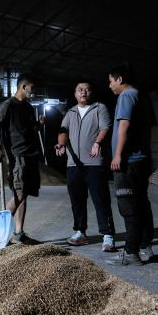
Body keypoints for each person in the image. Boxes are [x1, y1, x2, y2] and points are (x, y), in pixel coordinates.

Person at [55, 81, 116, 251]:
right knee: (77, 200)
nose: (84, 92)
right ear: (75, 94)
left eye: (87, 90)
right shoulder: (70, 112)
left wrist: (97, 143)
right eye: (80, 90)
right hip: (73, 164)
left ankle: (108, 235)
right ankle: (80, 233)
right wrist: (60, 144)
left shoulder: (99, 108)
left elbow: (105, 127)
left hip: (94, 163)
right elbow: (63, 130)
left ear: (91, 93)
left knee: (101, 199)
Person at [107, 63, 155, 265]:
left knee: (129, 206)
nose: (110, 86)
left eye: (111, 81)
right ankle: (145, 247)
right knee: (142, 204)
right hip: (141, 159)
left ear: (119, 79)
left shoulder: (126, 96)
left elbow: (124, 125)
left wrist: (117, 155)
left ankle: (131, 252)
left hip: (129, 161)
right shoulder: (140, 95)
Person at [0, 73, 41, 244]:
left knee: (24, 194)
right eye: (32, 88)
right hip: (17, 155)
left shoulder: (28, 108)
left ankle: (19, 232)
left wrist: (38, 124)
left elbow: (28, 129)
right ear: (23, 87)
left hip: (31, 154)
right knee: (19, 193)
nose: (33, 92)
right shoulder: (8, 105)